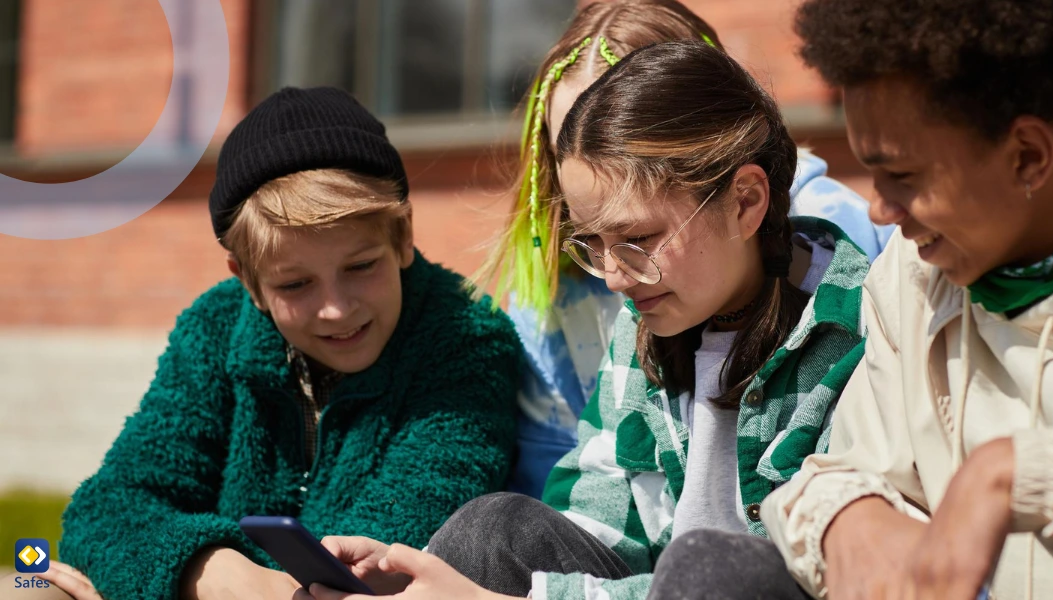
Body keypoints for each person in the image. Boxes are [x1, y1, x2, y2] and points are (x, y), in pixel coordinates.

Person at [298, 40, 871, 600]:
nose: (615, 277)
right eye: (593, 243)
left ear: (746, 201)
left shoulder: (859, 330)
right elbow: (599, 524)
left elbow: (793, 576)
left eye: (638, 239)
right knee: (493, 530)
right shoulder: (647, 322)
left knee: (713, 567)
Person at [3, 87, 522, 600]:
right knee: (23, 587)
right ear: (247, 281)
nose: (336, 309)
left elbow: (378, 558)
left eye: (361, 267)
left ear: (404, 236)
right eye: (295, 285)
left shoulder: (468, 341)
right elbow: (107, 508)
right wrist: (215, 572)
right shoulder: (217, 325)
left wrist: (202, 579)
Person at [760, 1, 1053, 599]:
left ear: (1028, 156)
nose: (878, 210)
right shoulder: (910, 276)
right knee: (718, 564)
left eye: (904, 177)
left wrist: (1017, 475)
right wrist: (848, 514)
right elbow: (844, 470)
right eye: (871, 172)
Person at [475, 0, 891, 498]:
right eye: (568, 139)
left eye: (624, 118)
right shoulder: (618, 320)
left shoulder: (840, 288)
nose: (614, 275)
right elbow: (582, 504)